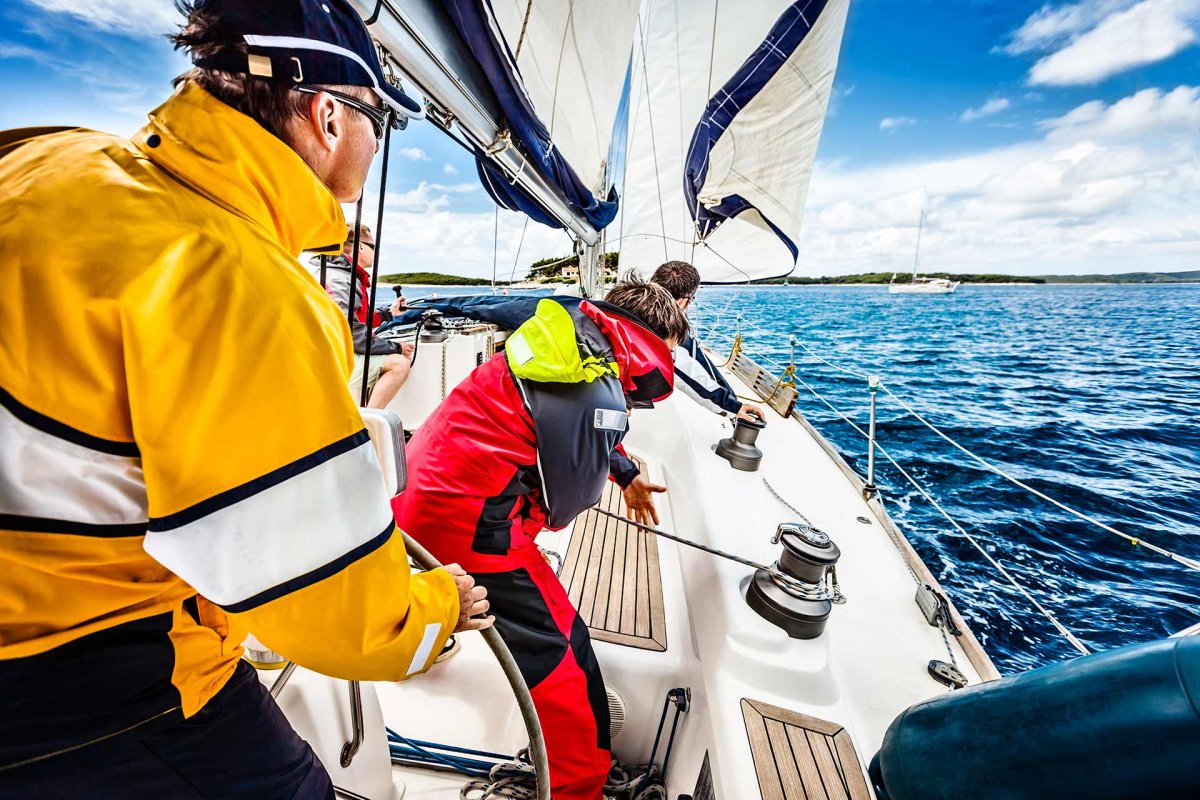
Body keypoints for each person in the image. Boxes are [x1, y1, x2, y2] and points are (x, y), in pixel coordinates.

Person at [0, 1, 491, 797]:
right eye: (381, 122)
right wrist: (435, 610)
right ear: (328, 117)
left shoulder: (45, 159)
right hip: (80, 673)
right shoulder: (238, 279)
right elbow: (337, 615)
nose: (377, 144)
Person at [392, 280, 689, 800]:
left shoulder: (562, 345)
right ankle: (579, 786)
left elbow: (566, 428)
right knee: (563, 650)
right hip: (468, 524)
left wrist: (624, 473)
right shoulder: (594, 386)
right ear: (653, 341)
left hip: (417, 496)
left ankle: (419, 640)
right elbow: (565, 505)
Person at [651, 260, 766, 424]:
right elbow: (686, 372)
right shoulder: (661, 332)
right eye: (691, 299)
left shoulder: (621, 302)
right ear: (682, 302)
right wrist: (733, 407)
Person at [314, 223, 414, 408]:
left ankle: (363, 413)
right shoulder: (340, 280)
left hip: (335, 354)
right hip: (330, 363)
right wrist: (396, 348)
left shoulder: (344, 275)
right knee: (399, 363)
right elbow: (350, 332)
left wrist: (389, 313)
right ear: (360, 246)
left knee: (384, 355)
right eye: (373, 247)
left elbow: (357, 319)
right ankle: (370, 420)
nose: (375, 253)